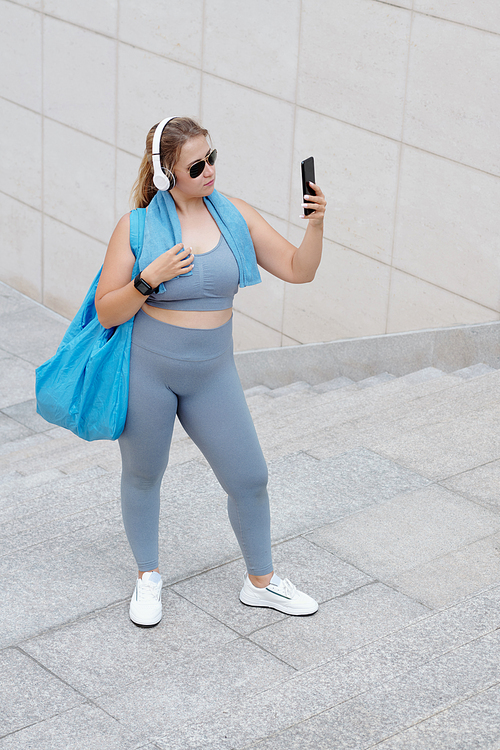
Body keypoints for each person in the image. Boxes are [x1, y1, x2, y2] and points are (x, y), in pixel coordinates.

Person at [95, 116, 327, 627]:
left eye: (212, 158)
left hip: (212, 372)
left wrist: (315, 226)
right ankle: (148, 577)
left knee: (249, 476)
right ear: (166, 175)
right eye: (196, 165)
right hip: (148, 372)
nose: (209, 171)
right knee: (142, 474)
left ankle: (261, 583)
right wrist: (147, 280)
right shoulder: (135, 228)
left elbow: (297, 269)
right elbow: (107, 310)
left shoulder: (234, 216)